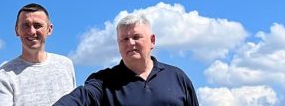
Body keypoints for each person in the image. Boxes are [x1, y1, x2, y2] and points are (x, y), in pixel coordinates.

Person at [53, 14, 199, 106]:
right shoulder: (103, 82)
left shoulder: (177, 77)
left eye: (136, 37)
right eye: (124, 39)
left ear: (152, 40)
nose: (130, 43)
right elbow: (78, 99)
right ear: (118, 44)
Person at [0, 3, 75, 106]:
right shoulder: (4, 75)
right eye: (25, 25)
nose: (31, 31)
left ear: (49, 29)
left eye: (37, 25)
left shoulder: (65, 65)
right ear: (16, 30)